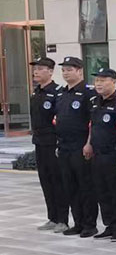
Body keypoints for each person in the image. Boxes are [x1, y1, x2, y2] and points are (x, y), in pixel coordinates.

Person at [54, 56, 98, 237]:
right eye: (63, 70)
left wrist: (89, 143)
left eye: (69, 70)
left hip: (80, 146)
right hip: (64, 146)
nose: (65, 73)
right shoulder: (62, 93)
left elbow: (93, 122)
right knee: (70, 186)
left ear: (79, 71)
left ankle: (89, 224)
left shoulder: (88, 93)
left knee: (85, 186)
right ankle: (78, 222)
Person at [86, 68, 116, 241]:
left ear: (113, 82)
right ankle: (109, 225)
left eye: (103, 80)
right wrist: (88, 143)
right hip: (97, 153)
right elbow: (92, 125)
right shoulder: (94, 102)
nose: (99, 84)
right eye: (97, 80)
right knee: (101, 191)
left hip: (113, 154)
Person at [29, 57, 67, 232]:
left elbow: (59, 120)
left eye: (40, 68)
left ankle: (62, 219)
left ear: (50, 71)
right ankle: (52, 217)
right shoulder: (36, 92)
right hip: (39, 143)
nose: (35, 71)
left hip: (53, 143)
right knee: (45, 180)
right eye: (35, 68)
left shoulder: (58, 92)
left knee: (57, 181)